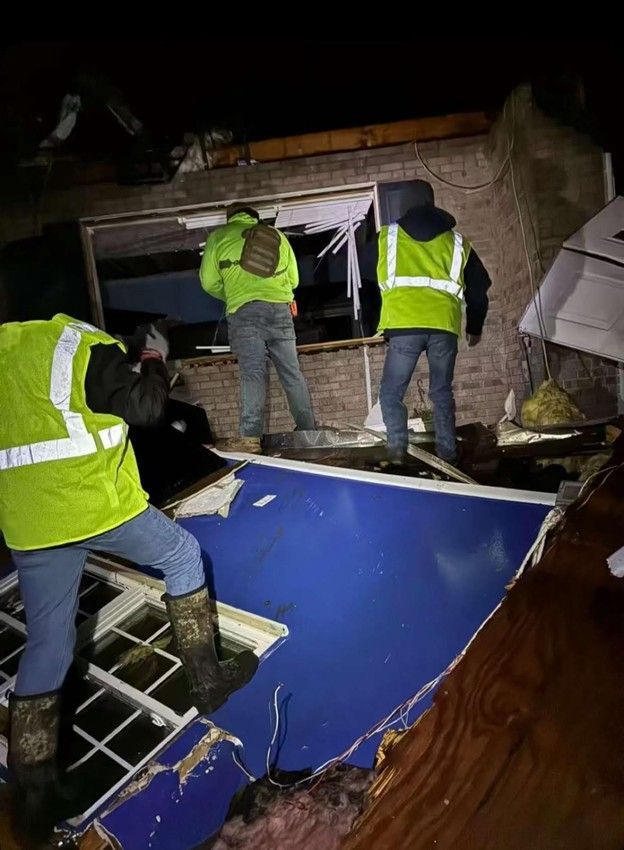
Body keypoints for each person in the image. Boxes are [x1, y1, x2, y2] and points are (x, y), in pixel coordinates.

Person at [0, 313, 257, 841]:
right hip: (91, 504)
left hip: (27, 519)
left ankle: (32, 802)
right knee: (183, 556)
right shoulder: (77, 344)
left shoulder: (5, 349)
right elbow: (146, 407)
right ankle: (209, 681)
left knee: (48, 641)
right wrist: (154, 358)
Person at [376, 180, 491, 466]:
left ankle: (397, 455)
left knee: (391, 394)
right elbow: (479, 288)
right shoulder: (457, 242)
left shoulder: (387, 237)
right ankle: (448, 456)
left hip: (404, 325)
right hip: (443, 327)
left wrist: (375, 322)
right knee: (441, 391)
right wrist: (474, 327)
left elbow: (367, 283)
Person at [199, 204, 315, 452]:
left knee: (253, 373)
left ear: (230, 220)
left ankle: (250, 438)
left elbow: (208, 282)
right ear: (255, 219)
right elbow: (293, 279)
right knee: (292, 373)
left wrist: (233, 295)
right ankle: (308, 431)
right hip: (280, 309)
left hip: (245, 312)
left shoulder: (219, 237)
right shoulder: (277, 236)